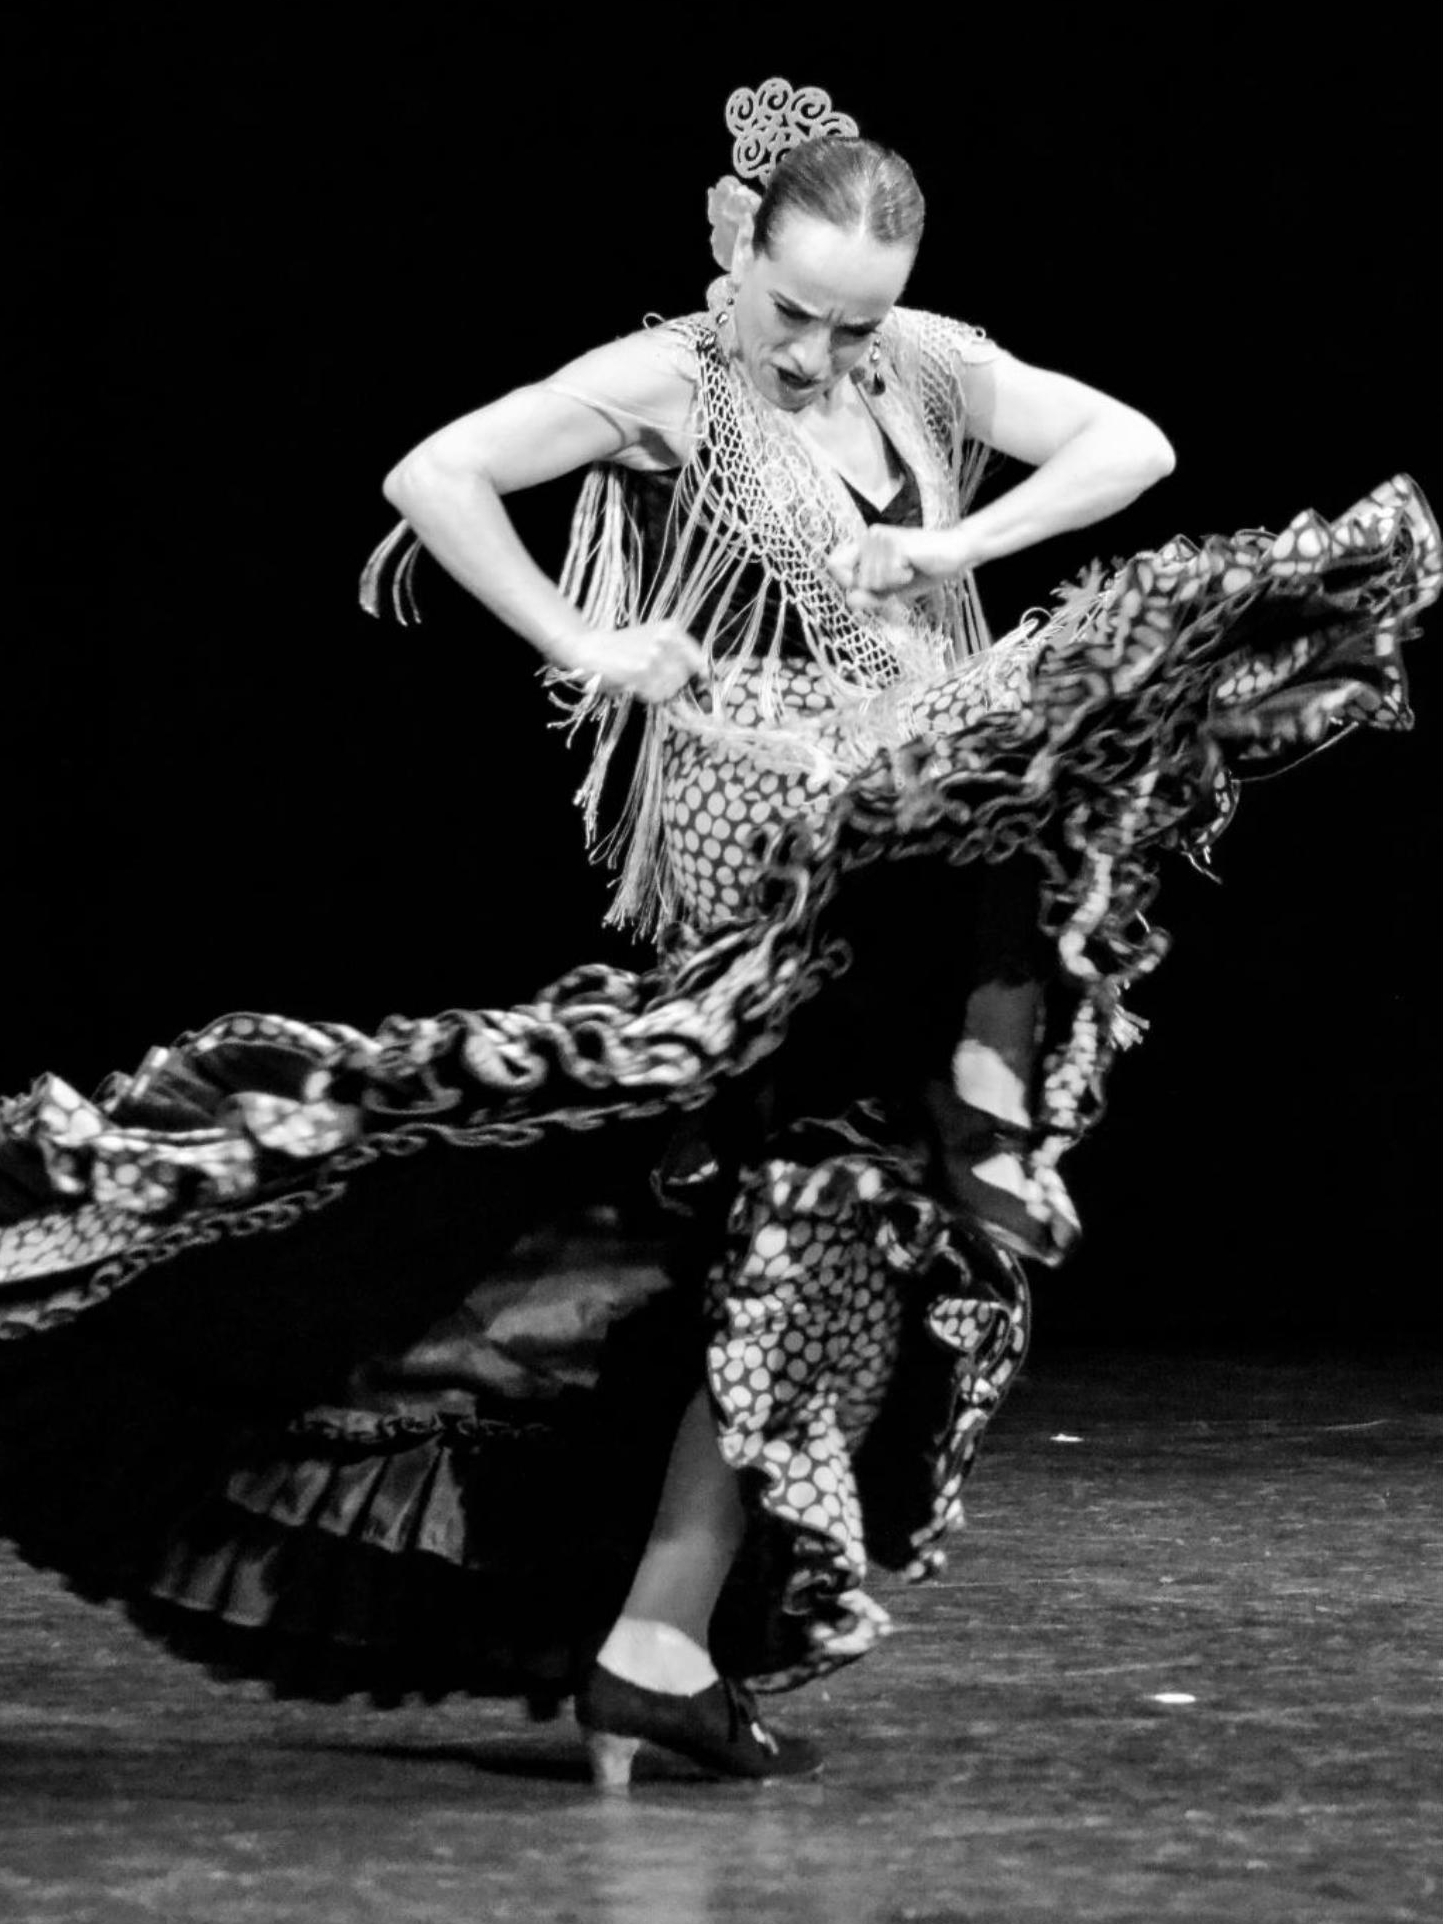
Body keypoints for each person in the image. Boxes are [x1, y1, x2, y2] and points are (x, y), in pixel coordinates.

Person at [0, 81, 1436, 1791]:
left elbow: (1133, 447)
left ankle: (658, 1642)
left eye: (858, 324)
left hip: (916, 801)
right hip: (764, 821)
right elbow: (435, 473)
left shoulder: (927, 368)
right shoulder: (665, 382)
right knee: (960, 866)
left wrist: (955, 539)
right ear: (736, 244)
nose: (825, 353)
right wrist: (585, 642)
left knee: (816, 1234)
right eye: (797, 312)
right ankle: (983, 1081)